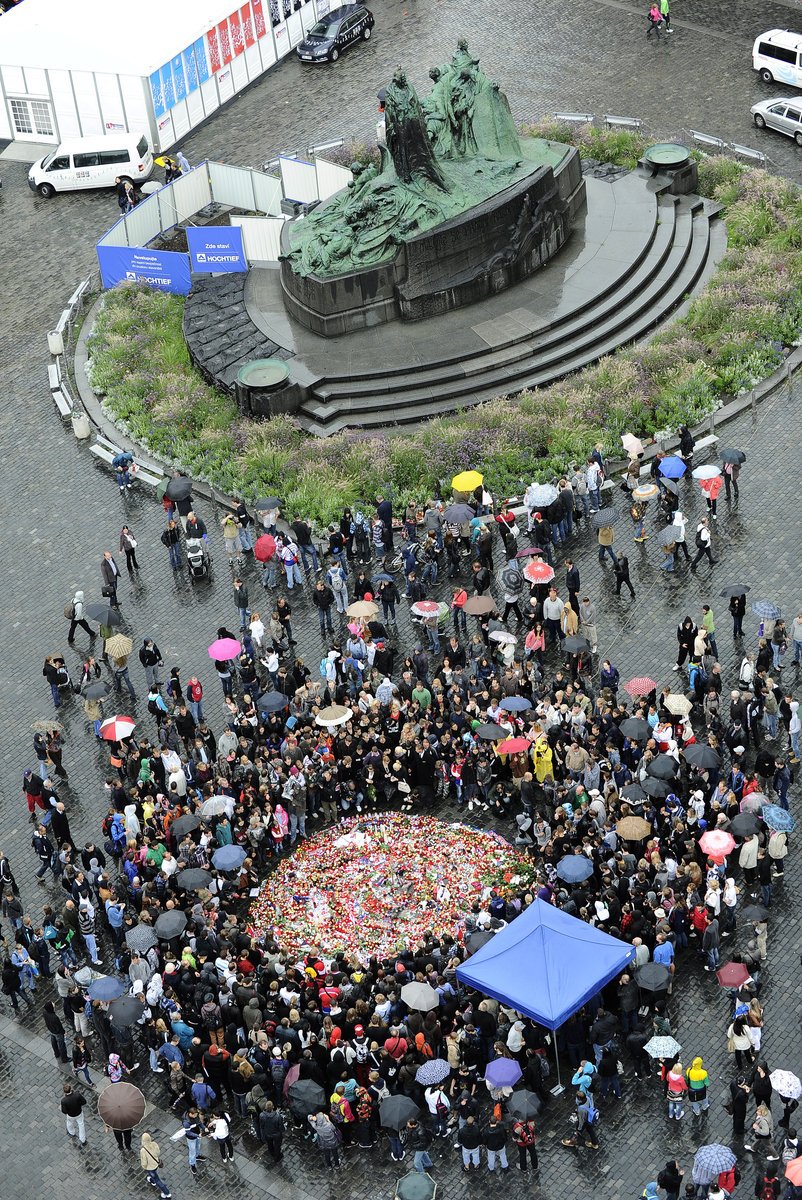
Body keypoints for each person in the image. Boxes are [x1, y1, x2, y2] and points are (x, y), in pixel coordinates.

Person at [140, 1131, 171, 1198]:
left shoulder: (143, 1150)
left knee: (157, 1180)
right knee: (153, 1175)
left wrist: (144, 1167)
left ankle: (167, 1193)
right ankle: (152, 1180)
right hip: (156, 1164)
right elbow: (158, 1153)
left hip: (149, 1167)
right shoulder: (154, 1144)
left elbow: (144, 1162)